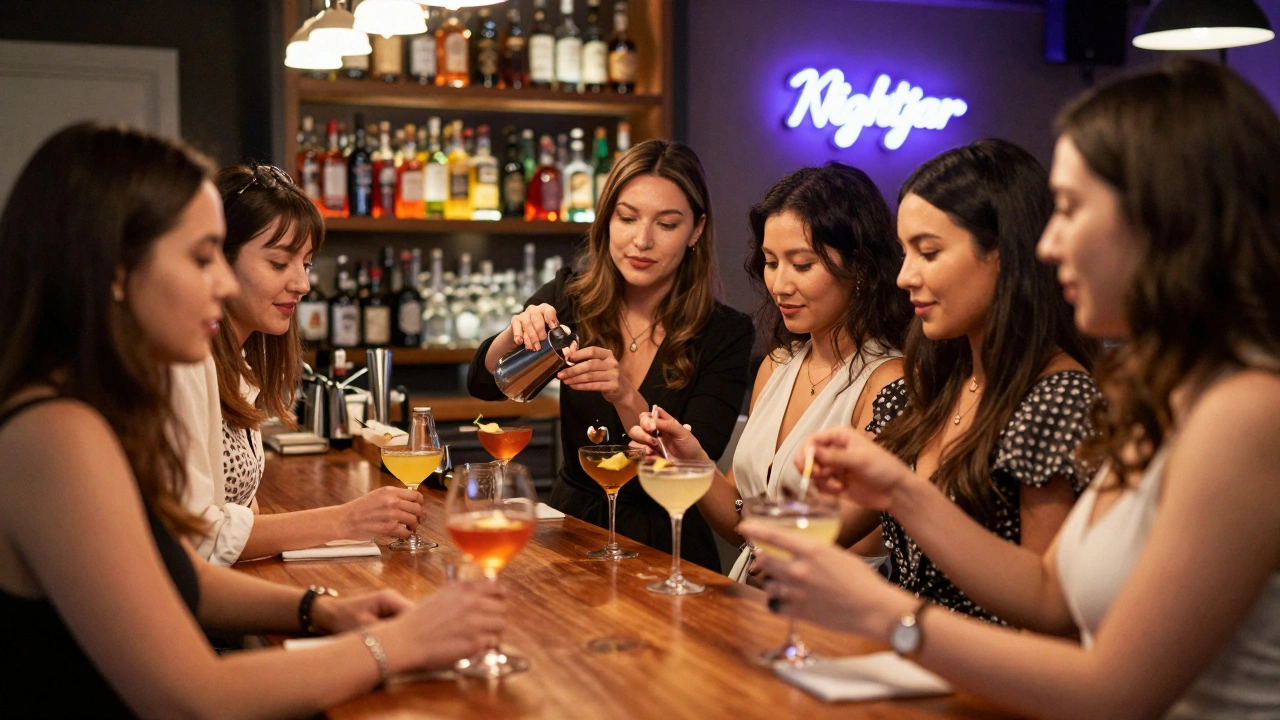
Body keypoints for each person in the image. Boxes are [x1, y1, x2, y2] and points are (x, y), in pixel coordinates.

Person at [743, 59, 1280, 718]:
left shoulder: (1247, 409)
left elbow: (1116, 690)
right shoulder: (1159, 390)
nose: (1049, 246)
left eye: (1073, 210)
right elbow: (1052, 591)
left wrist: (888, 614)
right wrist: (903, 491)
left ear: (1165, 221)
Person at [0, 123, 505, 718]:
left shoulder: (91, 409)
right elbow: (189, 696)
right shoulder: (56, 436)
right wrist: (400, 644)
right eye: (200, 257)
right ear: (113, 268)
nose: (220, 282)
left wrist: (319, 609)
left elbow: (182, 573)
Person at [467, 139, 753, 571]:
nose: (641, 240)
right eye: (627, 217)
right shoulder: (571, 297)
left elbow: (690, 462)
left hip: (668, 545)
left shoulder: (725, 333)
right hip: (572, 533)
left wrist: (623, 394)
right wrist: (512, 334)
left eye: (667, 224)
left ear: (696, 230)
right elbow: (485, 384)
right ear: (606, 221)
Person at [628, 162, 913, 581]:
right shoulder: (777, 363)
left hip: (834, 605)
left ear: (860, 268)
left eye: (801, 265)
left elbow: (848, 528)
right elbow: (742, 525)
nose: (779, 284)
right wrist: (693, 461)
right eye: (770, 261)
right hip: (755, 593)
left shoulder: (887, 381)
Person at [172, 164, 423, 565]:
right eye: (278, 263)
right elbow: (200, 541)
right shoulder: (185, 363)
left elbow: (237, 513)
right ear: (219, 259)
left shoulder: (238, 364)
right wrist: (345, 520)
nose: (302, 284)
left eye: (305, 264)